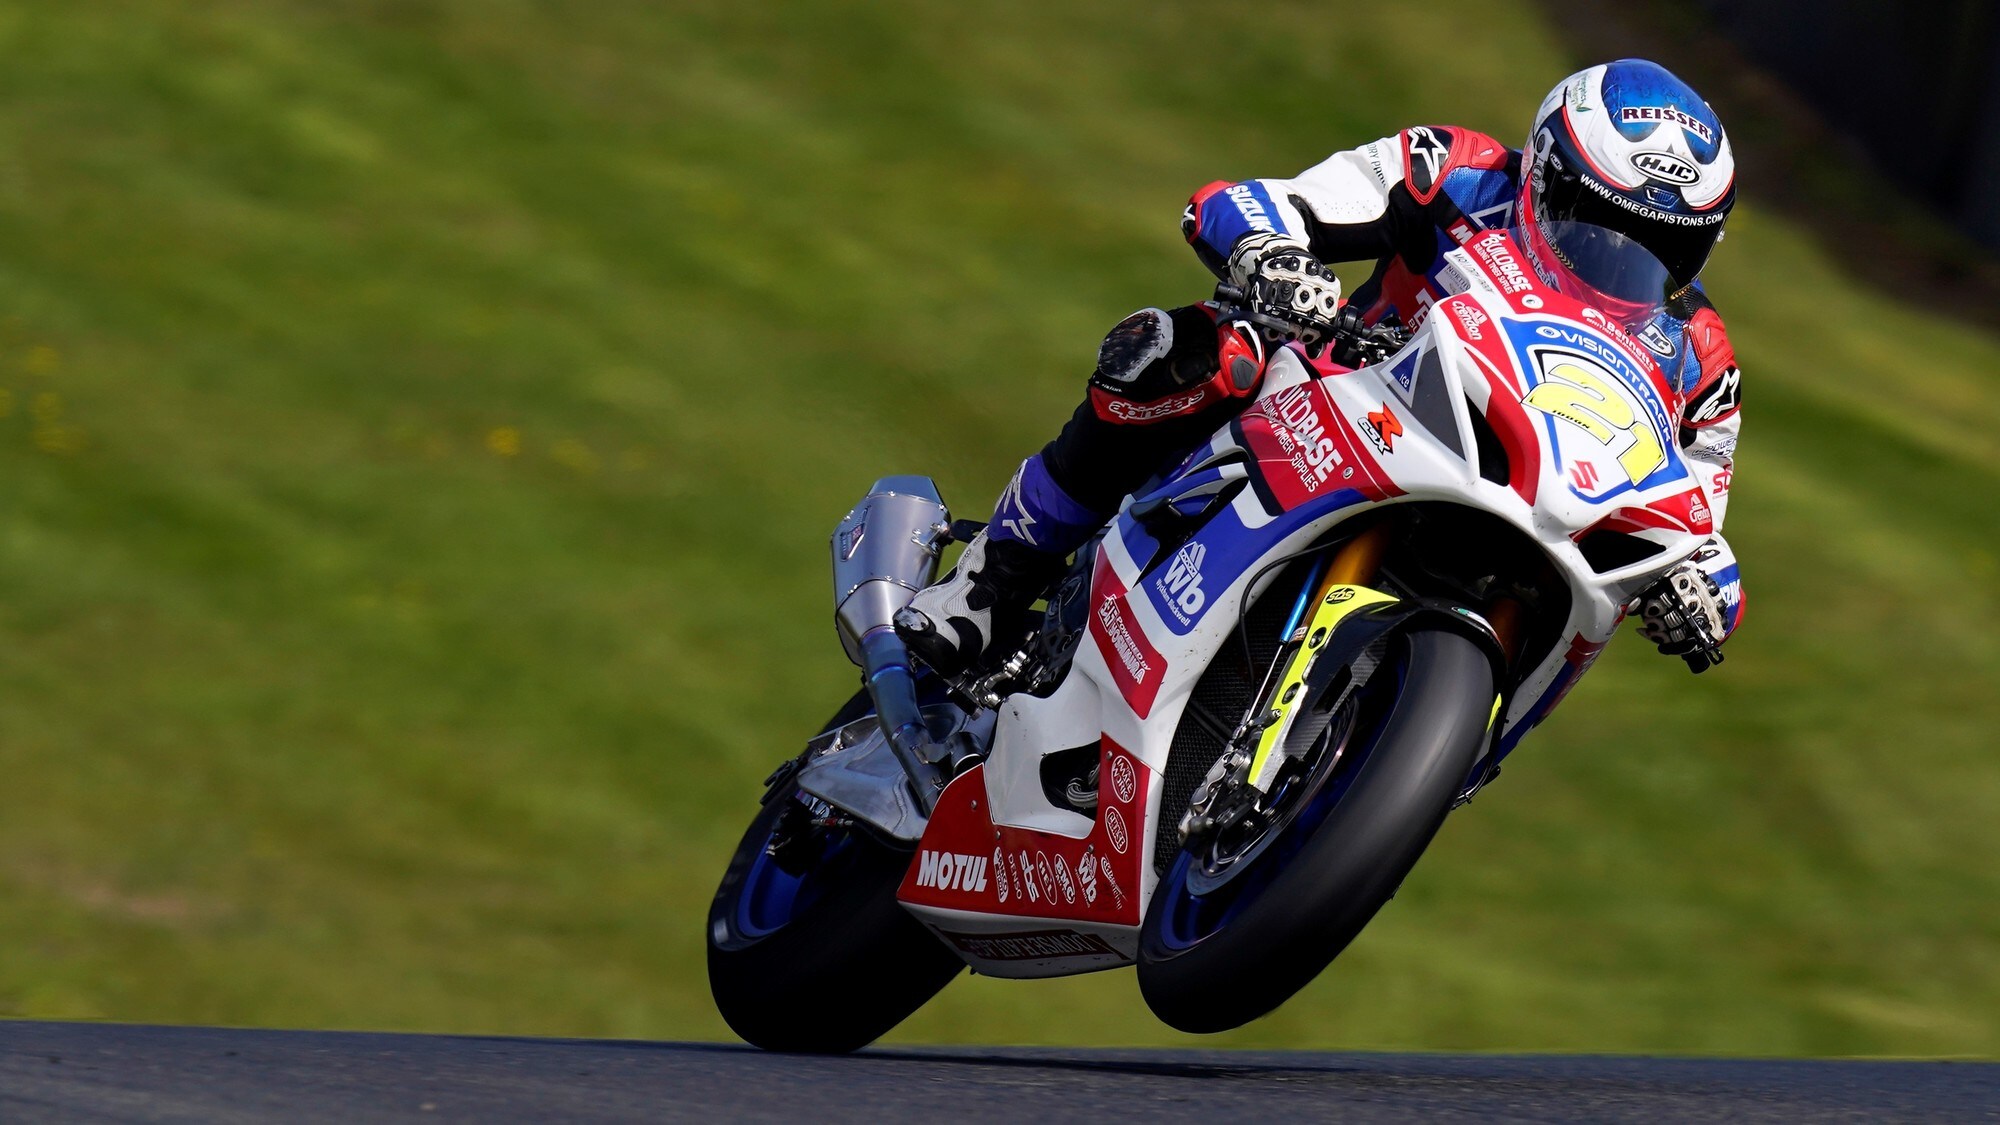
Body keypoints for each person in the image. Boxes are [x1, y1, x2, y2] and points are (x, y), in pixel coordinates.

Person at [896, 59, 1745, 675]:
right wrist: (1273, 257)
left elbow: (1698, 511)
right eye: (1596, 221)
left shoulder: (1699, 353)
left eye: (1657, 247)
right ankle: (995, 579)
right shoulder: (1454, 174)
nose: (1616, 258)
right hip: (1333, 405)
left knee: (1583, 608)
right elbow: (1265, 202)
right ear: (1545, 176)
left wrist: (1710, 588)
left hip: (1521, 515)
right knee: (1202, 350)